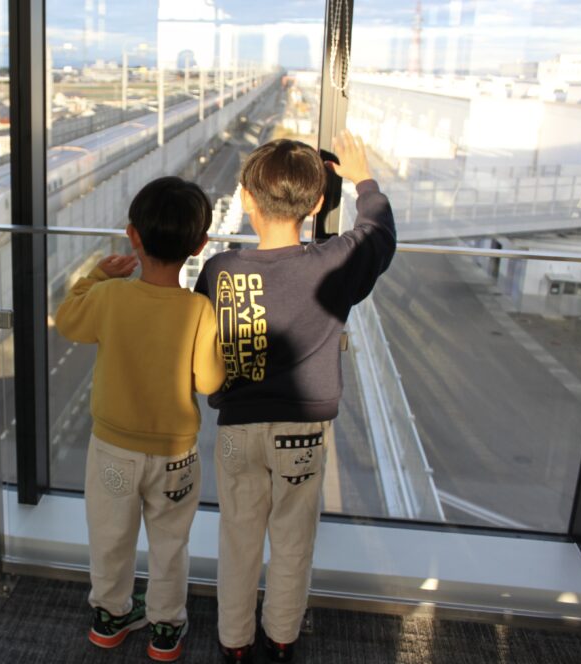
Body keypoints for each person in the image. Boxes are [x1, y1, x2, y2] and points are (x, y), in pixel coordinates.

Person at [194, 131, 396, 663]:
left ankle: (234, 641)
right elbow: (378, 233)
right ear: (318, 203)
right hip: (302, 433)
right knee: (292, 538)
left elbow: (205, 340)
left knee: (238, 538)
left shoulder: (221, 270)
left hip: (238, 429)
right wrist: (363, 178)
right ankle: (281, 637)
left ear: (246, 199)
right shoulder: (335, 263)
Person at [56, 176, 225, 662]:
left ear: (133, 236)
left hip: (113, 450)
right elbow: (209, 382)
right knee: (170, 542)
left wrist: (97, 275)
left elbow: (67, 320)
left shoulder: (110, 297)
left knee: (110, 537)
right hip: (175, 455)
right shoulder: (200, 310)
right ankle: (165, 628)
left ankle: (111, 617)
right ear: (200, 245)